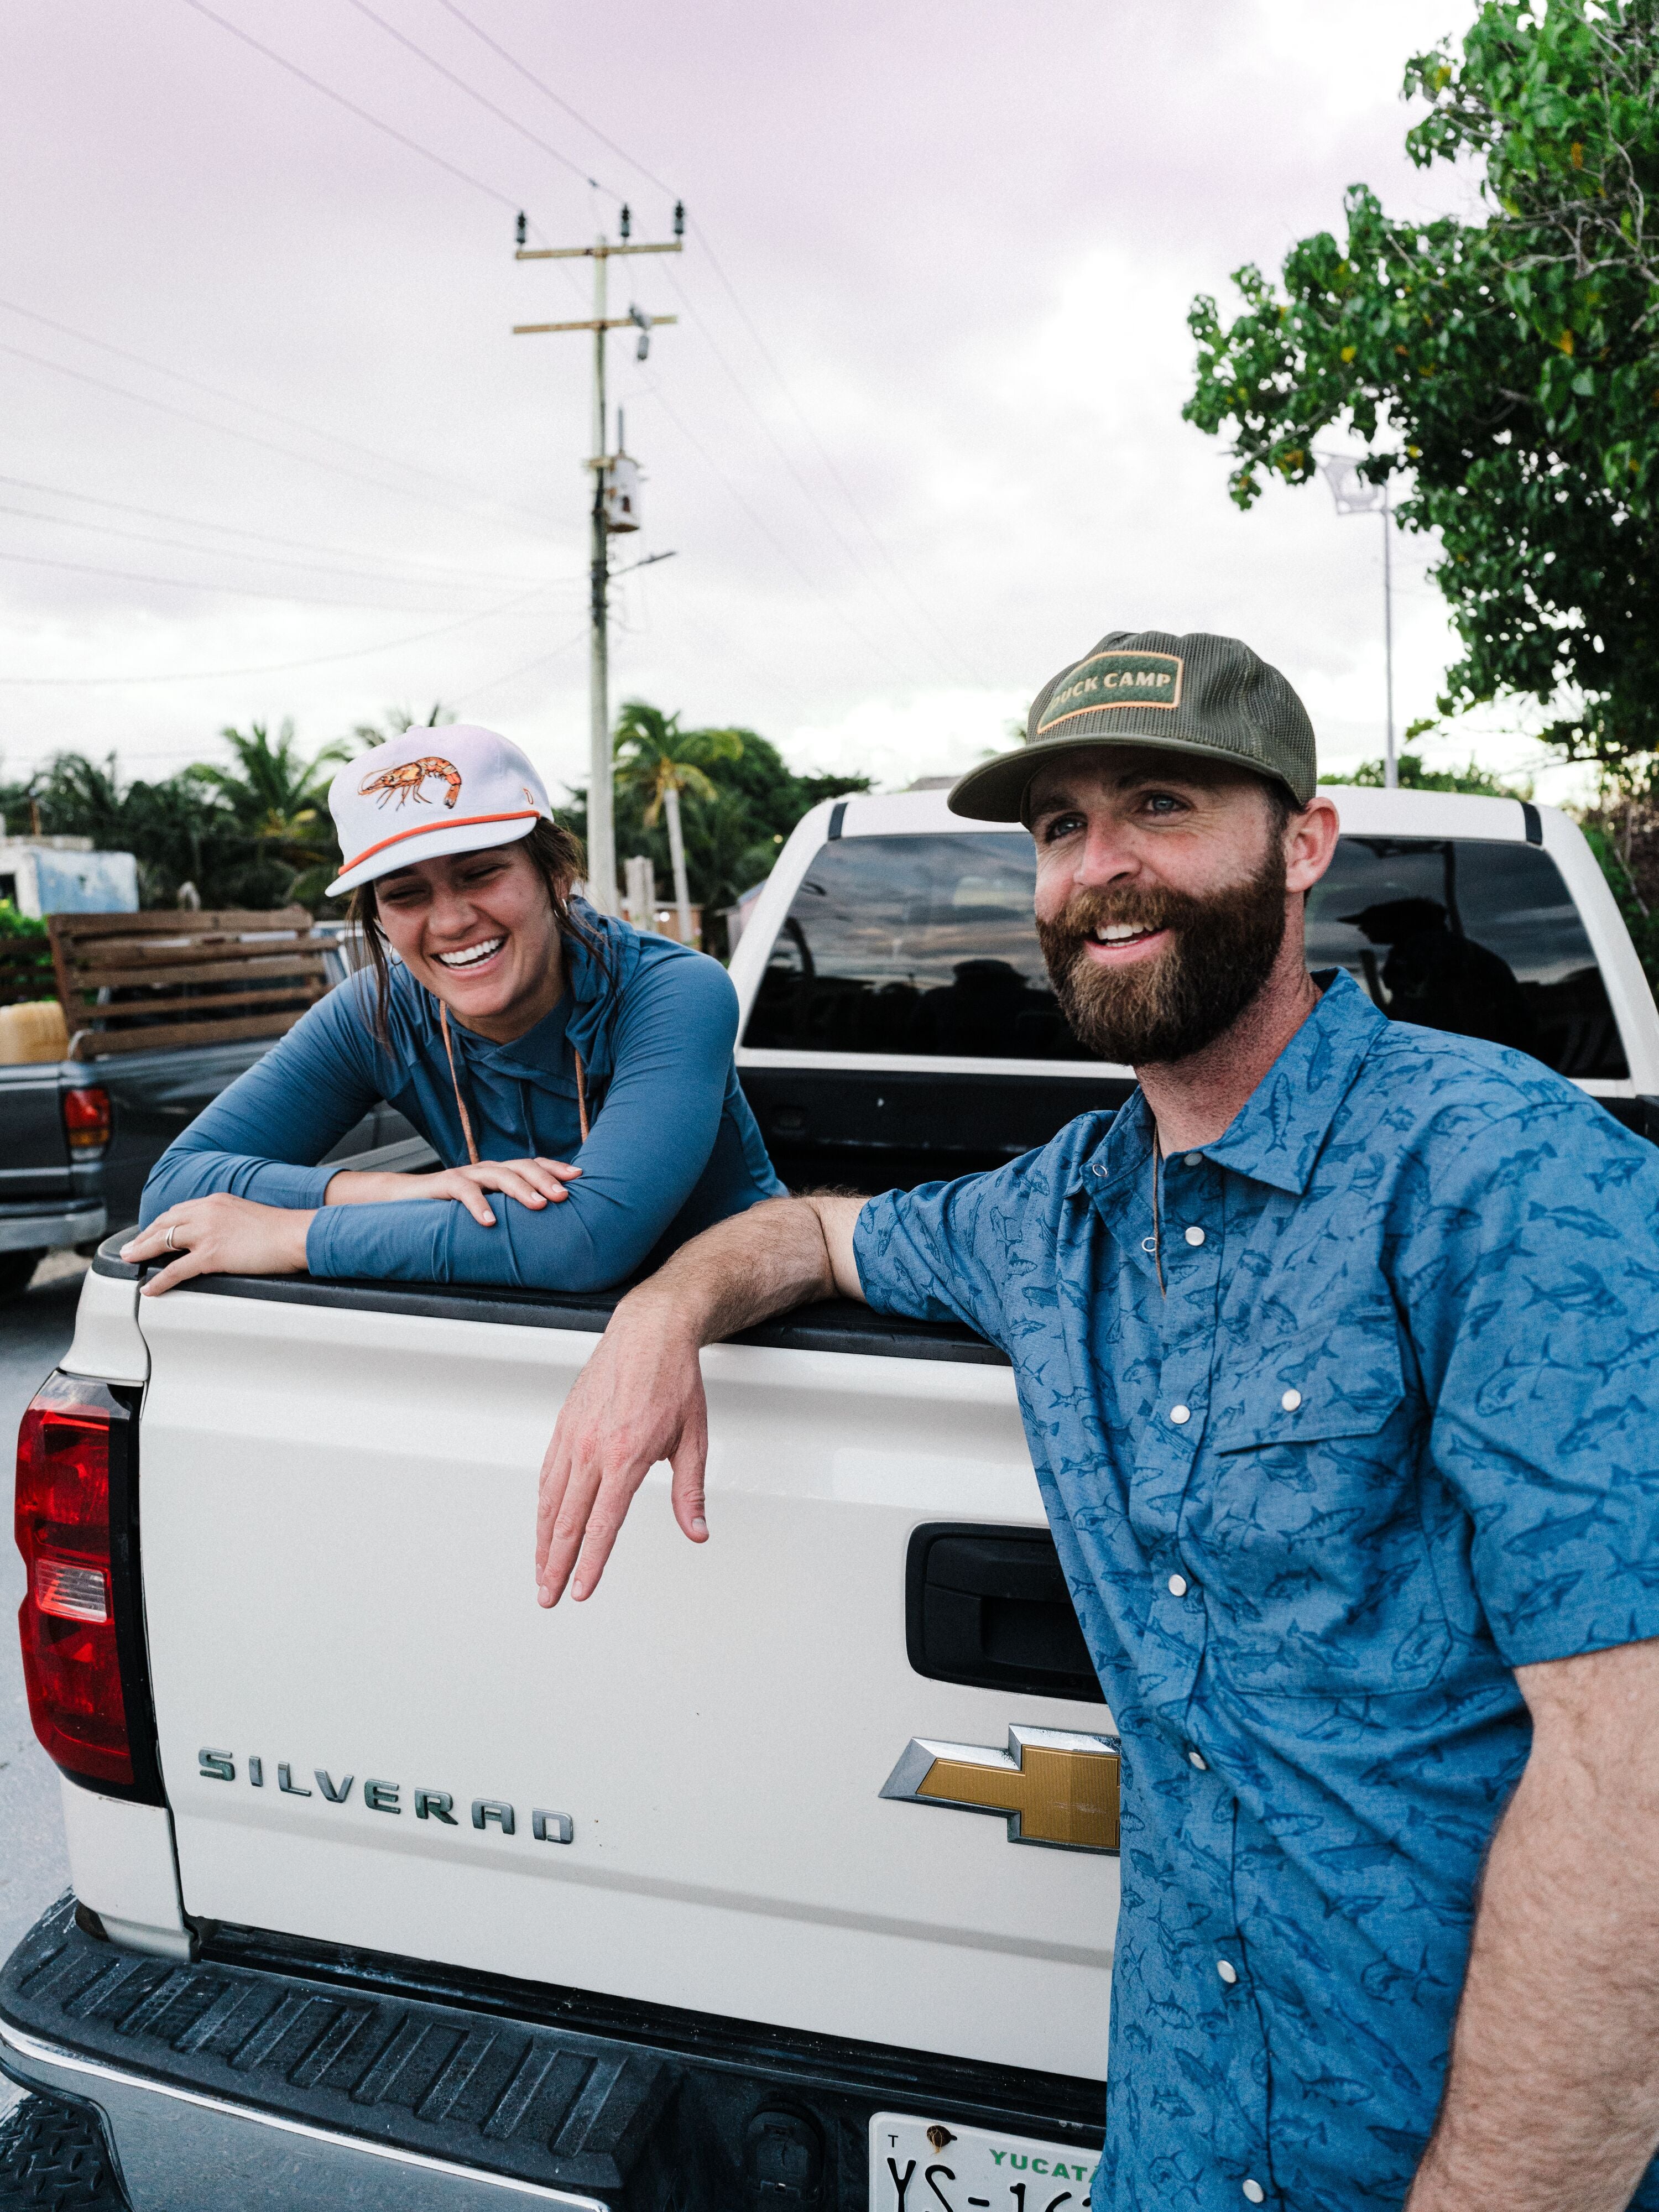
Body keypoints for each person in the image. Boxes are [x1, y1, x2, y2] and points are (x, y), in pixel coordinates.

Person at [532, 632, 1659, 2212]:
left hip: (1451, 2156)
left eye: (1161, 804)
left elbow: (1637, 1780)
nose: (1103, 868)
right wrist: (665, 1310)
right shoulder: (1056, 1213)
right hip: (1180, 2146)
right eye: (1062, 827)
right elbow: (820, 1231)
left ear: (1305, 845)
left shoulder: (1504, 1178)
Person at [123, 723, 783, 1296]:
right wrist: (411, 1187)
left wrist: (293, 1233)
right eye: (406, 894)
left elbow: (585, 1238)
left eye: (480, 874)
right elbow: (173, 1186)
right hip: (527, 1342)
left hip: (746, 1341)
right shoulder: (377, 1013)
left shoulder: (672, 991)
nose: (451, 921)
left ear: (555, 874)